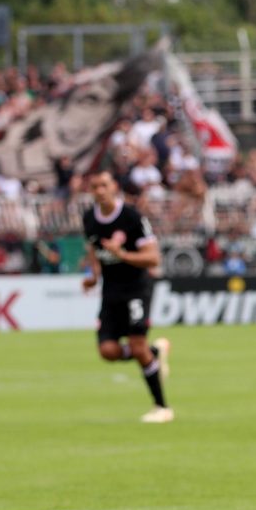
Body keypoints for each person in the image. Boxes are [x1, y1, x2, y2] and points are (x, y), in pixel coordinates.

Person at [81, 171, 172, 423]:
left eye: (104, 185)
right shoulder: (89, 218)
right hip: (110, 292)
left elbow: (153, 258)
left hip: (136, 289)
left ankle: (162, 407)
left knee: (137, 347)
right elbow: (93, 249)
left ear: (114, 187)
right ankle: (154, 352)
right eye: (95, 186)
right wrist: (94, 275)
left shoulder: (131, 217)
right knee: (107, 351)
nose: (99, 190)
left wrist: (123, 255)